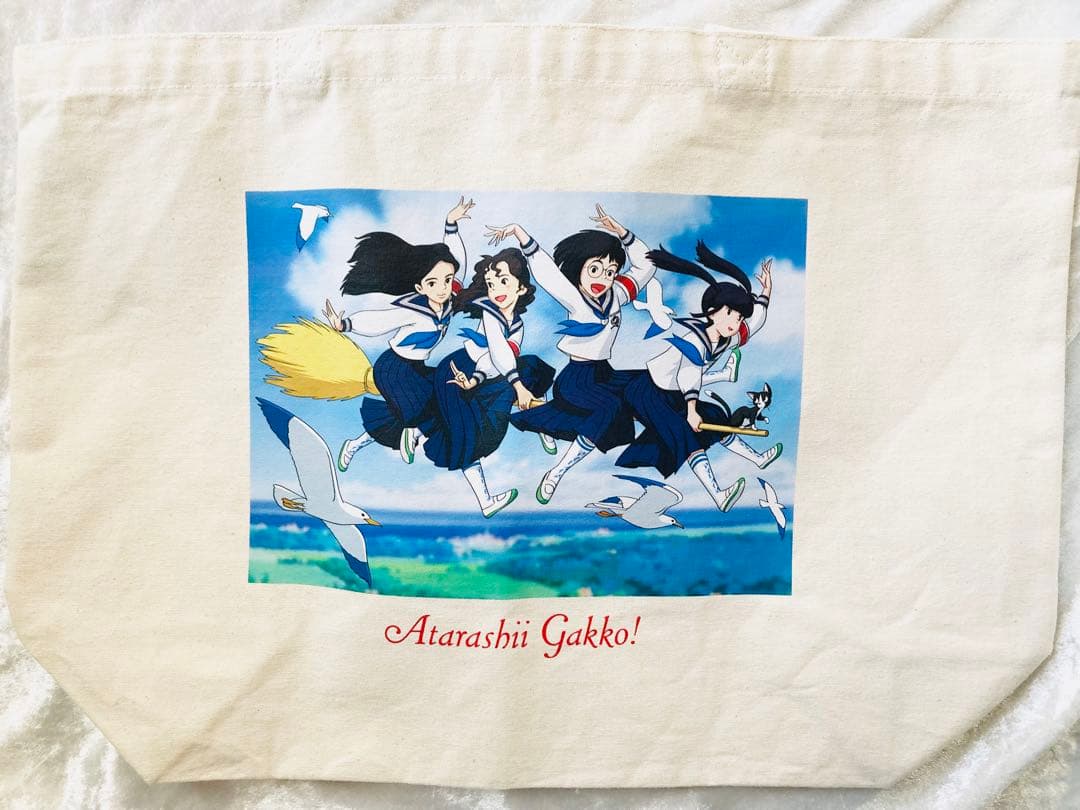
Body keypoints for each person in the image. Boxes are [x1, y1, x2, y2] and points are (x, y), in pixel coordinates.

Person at [485, 204, 658, 505]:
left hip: (604, 373)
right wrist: (519, 233)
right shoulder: (575, 298)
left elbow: (647, 266)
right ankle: (557, 472)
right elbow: (546, 271)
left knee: (646, 382)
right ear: (579, 269)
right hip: (577, 379)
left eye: (610, 272)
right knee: (609, 408)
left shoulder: (616, 294)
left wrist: (622, 232)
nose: (602, 278)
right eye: (594, 269)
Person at [614, 242, 780, 510]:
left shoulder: (726, 338)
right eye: (730, 313)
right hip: (649, 390)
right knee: (686, 433)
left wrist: (766, 293)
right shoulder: (696, 337)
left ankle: (757, 459)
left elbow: (756, 321)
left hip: (674, 393)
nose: (735, 322)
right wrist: (691, 410)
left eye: (739, 317)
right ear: (712, 312)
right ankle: (718, 495)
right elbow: (688, 373)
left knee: (716, 416)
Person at [327, 197, 474, 469]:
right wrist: (345, 324)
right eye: (433, 283)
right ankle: (413, 431)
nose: (443, 288)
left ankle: (355, 444)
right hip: (393, 369)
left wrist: (451, 224)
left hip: (416, 368)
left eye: (446, 280)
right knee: (425, 407)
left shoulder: (450, 297)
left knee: (440, 395)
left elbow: (457, 262)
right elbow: (378, 321)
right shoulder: (413, 310)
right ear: (420, 287)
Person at [422, 248, 556, 516]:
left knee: (534, 368)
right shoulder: (490, 313)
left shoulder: (517, 324)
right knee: (469, 434)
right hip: (459, 370)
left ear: (521, 288)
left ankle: (541, 421)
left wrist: (510, 384)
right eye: (491, 284)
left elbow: (503, 358)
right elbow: (496, 352)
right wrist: (502, 384)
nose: (496, 290)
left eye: (503, 281)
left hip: (491, 373)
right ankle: (485, 501)